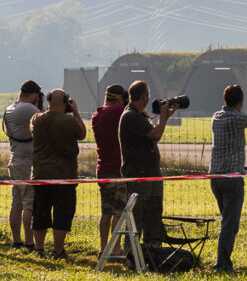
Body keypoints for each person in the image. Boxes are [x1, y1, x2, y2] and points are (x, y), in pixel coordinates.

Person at [208, 84, 247, 273]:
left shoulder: (216, 118)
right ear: (240, 101)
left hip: (215, 176)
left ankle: (223, 260)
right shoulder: (236, 119)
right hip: (232, 176)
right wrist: (241, 110)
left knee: (229, 221)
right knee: (229, 224)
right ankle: (222, 264)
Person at [119, 80, 176, 247]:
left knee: (153, 210)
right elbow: (155, 134)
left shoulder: (138, 115)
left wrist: (165, 116)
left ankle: (153, 248)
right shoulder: (130, 116)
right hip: (139, 173)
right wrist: (164, 117)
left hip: (150, 172)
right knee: (137, 214)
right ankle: (131, 252)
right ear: (144, 96)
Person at [31, 88, 87, 259]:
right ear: (65, 101)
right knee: (62, 212)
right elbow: (82, 133)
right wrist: (76, 111)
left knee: (40, 211)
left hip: (40, 174)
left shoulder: (36, 119)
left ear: (48, 100)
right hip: (64, 174)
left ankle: (39, 248)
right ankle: (58, 250)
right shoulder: (68, 121)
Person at [3, 80, 43, 251]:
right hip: (27, 162)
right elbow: (44, 120)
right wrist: (40, 105)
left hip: (14, 159)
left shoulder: (10, 108)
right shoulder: (28, 109)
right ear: (34, 95)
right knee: (29, 203)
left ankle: (16, 240)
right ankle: (29, 241)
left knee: (16, 203)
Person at [91, 84, 127, 256]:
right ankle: (116, 249)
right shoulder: (119, 112)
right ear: (121, 98)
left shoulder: (97, 115)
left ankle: (104, 247)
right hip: (117, 169)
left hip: (102, 168)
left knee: (105, 211)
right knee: (119, 211)